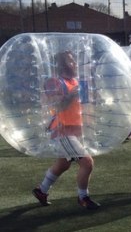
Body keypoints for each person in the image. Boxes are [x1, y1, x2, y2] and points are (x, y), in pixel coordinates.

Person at [32, 50, 100, 210]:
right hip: (63, 131)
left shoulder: (75, 81)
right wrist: (71, 95)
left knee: (63, 164)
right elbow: (57, 106)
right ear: (62, 65)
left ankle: (41, 190)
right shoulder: (54, 82)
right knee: (87, 163)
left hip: (74, 130)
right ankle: (83, 198)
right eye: (71, 61)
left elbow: (82, 105)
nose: (75, 64)